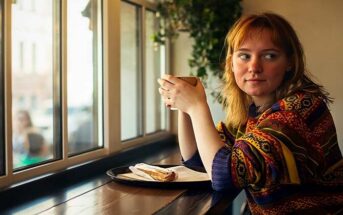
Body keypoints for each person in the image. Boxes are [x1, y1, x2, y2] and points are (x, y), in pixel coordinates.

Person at [158, 12, 343, 214]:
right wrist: (184, 108)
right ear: (231, 62)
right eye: (244, 56)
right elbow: (199, 163)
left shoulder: (299, 110)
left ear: (289, 62)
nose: (254, 67)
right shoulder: (253, 113)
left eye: (269, 56)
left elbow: (223, 175)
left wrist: (196, 106)